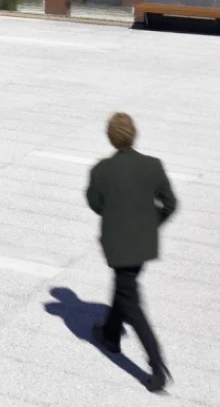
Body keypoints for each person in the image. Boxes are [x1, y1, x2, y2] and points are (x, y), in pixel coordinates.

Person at [86, 112, 175, 393]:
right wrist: (150, 223)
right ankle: (111, 335)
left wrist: (115, 215)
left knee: (131, 303)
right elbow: (170, 204)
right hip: (143, 243)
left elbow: (94, 203)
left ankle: (157, 365)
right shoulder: (153, 166)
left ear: (110, 137)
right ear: (134, 134)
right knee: (124, 288)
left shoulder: (101, 170)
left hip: (118, 244)